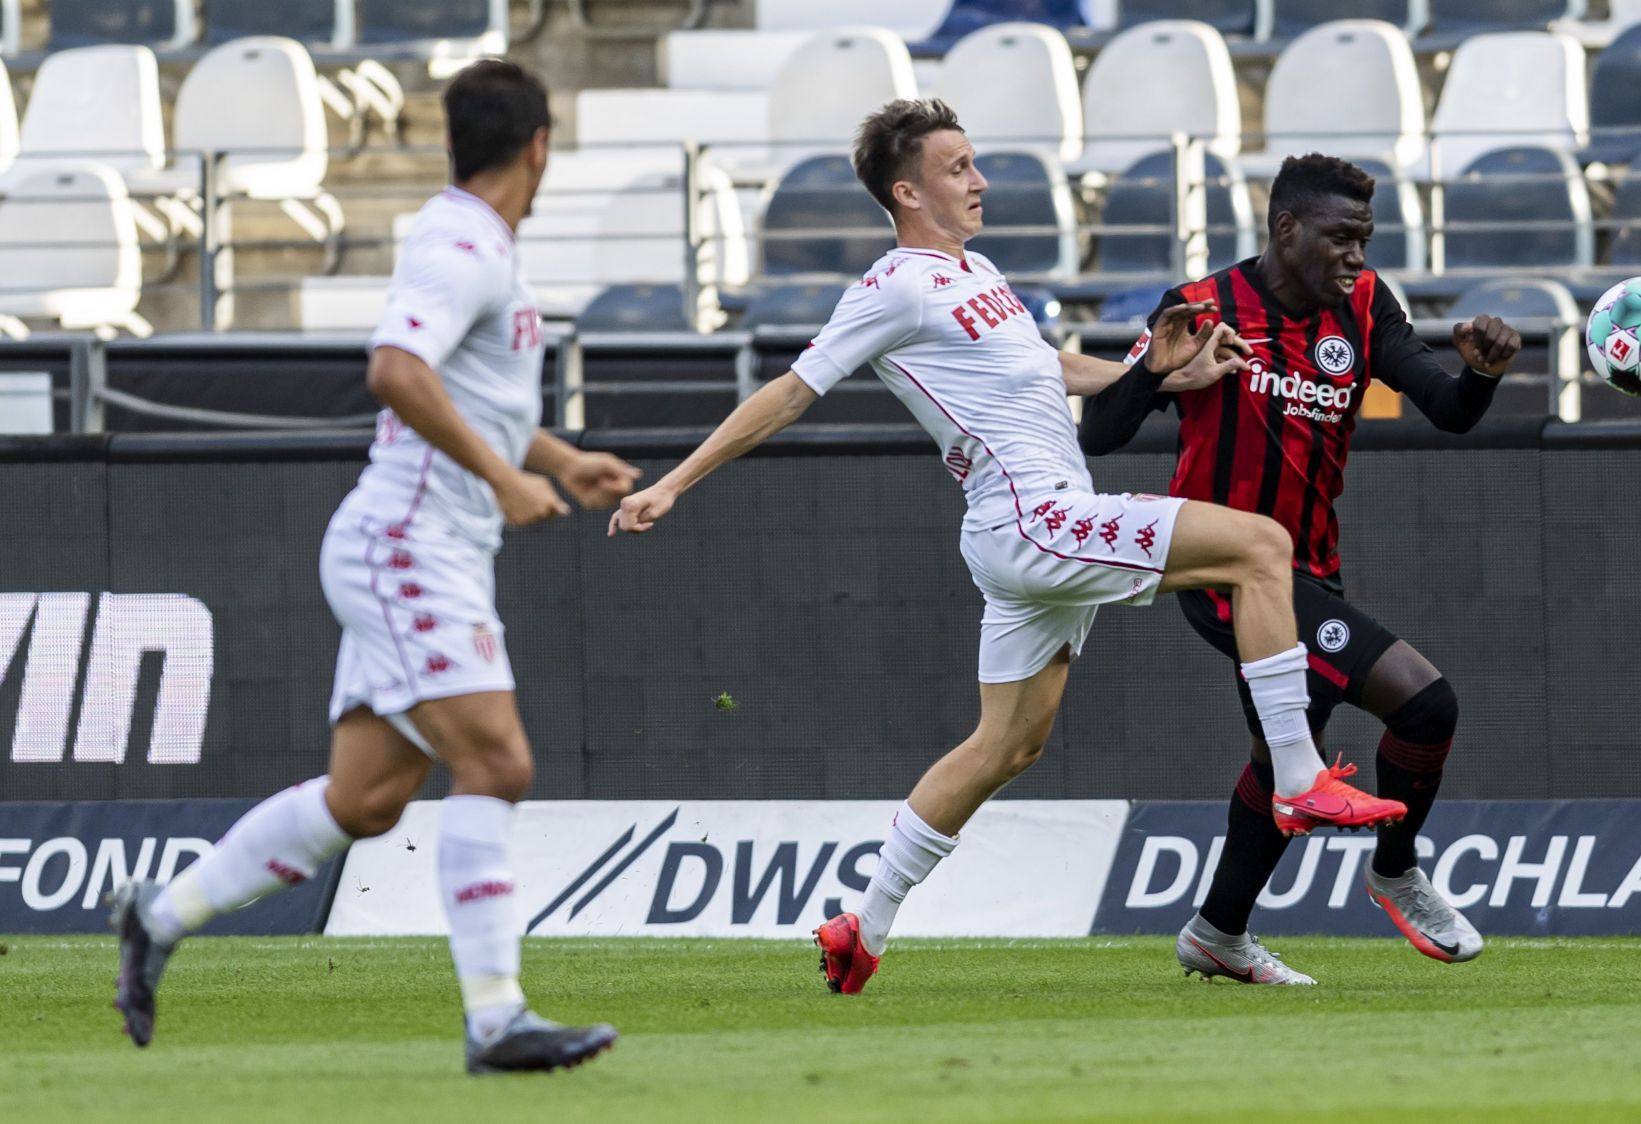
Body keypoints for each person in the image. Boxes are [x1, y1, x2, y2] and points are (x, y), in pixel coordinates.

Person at [608, 100, 1408, 995]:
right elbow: (792, 392)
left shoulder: (975, 272)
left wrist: (1162, 373)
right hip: (1032, 516)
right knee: (1260, 544)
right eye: (957, 168)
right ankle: (1299, 775)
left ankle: (861, 926)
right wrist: (674, 480)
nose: (980, 180)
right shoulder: (896, 284)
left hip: (1026, 531)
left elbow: (1048, 367)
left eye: (975, 162)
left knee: (1006, 747)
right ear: (907, 191)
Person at [109, 60, 632, 1074]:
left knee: (365, 800)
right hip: (407, 542)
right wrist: (501, 475)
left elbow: (467, 394)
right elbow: (396, 372)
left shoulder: (477, 246)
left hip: (424, 544)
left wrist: (557, 460)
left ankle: (157, 915)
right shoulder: (462, 243)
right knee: (499, 761)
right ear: (539, 147)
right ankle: (495, 1020)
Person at [1080, 154, 1523, 983]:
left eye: (1365, 239)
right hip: (1220, 573)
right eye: (1341, 238)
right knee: (1426, 704)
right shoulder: (1203, 307)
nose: (1356, 256)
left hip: (1309, 574)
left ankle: (1217, 931)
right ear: (1286, 230)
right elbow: (1097, 434)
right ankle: (1396, 870)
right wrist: (1155, 370)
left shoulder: (1363, 305)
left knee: (1284, 762)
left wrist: (1483, 373)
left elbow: (1450, 410)